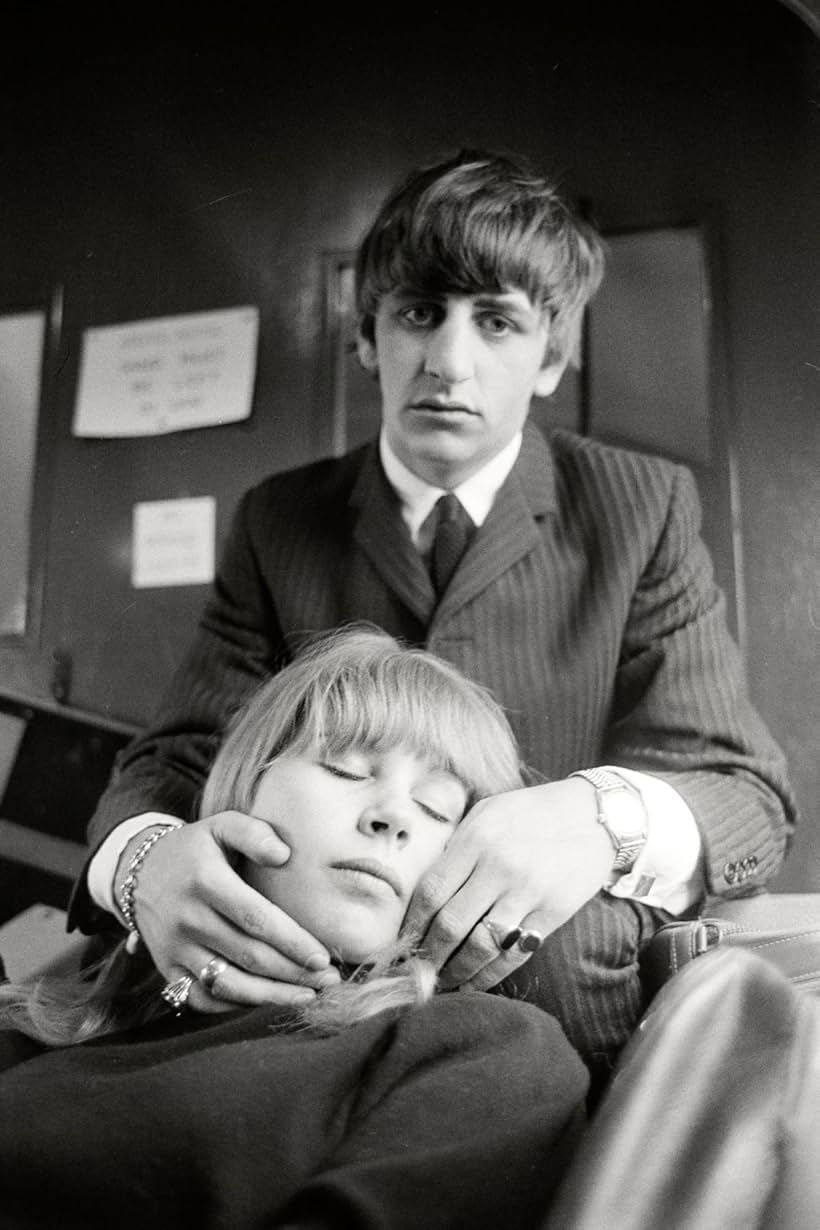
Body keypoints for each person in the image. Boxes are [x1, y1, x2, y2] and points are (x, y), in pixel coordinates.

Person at [68, 147, 796, 1085]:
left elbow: (742, 791)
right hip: (306, 996)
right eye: (419, 313)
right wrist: (143, 865)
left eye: (497, 321)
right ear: (367, 336)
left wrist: (595, 818)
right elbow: (171, 761)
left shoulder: (639, 505)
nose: (449, 362)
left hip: (541, 1005)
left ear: (553, 356)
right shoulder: (279, 520)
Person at [0, 629, 588, 1230]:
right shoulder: (78, 1010)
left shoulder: (492, 1054)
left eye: (438, 807)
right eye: (346, 767)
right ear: (246, 788)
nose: (393, 816)